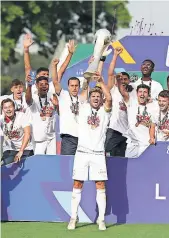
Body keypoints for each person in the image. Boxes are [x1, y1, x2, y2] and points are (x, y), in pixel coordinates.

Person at [68, 72, 112, 231]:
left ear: (101, 99)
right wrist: (88, 78)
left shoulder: (105, 112)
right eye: (93, 96)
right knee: (77, 183)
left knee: (100, 184)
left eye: (98, 96)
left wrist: (101, 81)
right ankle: (73, 217)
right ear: (90, 98)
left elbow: (110, 99)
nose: (95, 98)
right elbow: (82, 93)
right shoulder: (83, 108)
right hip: (82, 152)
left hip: (98, 154)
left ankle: (101, 219)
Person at [25, 64, 59, 155]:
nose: (44, 86)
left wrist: (57, 106)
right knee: (39, 164)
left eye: (46, 84)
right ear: (36, 86)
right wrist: (29, 85)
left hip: (51, 138)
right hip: (39, 139)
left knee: (52, 163)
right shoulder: (34, 98)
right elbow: (28, 100)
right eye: (41, 85)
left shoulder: (52, 96)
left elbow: (59, 113)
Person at [51, 59, 81, 155]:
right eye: (72, 85)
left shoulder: (83, 98)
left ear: (79, 86)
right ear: (68, 87)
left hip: (82, 138)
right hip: (68, 138)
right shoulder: (63, 95)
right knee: (67, 163)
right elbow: (55, 82)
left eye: (76, 85)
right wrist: (54, 66)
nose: (74, 88)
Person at [122, 84, 158, 158]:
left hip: (146, 145)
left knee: (145, 169)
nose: (142, 94)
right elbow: (122, 92)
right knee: (129, 168)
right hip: (132, 145)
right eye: (140, 92)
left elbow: (152, 125)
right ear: (137, 93)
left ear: (148, 94)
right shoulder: (131, 103)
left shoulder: (154, 108)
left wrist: (152, 138)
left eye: (145, 92)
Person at [1, 99, 33, 165]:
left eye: (10, 107)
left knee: (27, 169)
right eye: (5, 108)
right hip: (9, 149)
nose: (8, 109)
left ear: (14, 108)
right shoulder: (1, 119)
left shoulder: (21, 116)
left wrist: (21, 151)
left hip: (25, 149)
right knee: (4, 167)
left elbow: (27, 133)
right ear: (3, 110)